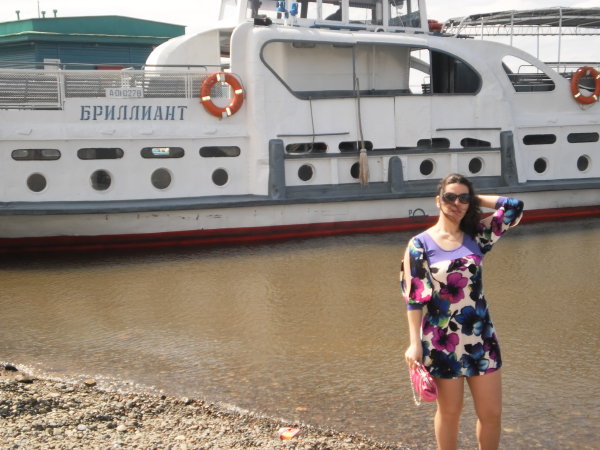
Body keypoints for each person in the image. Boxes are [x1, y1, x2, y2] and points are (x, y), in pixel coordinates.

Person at [400, 173, 524, 450]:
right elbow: (415, 298)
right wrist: (414, 344)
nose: (456, 203)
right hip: (442, 340)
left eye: (463, 198)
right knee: (450, 413)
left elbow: (513, 207)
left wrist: (472, 198)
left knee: (491, 413)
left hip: (482, 338)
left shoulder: (477, 235)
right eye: (449, 197)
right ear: (437, 200)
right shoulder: (419, 244)